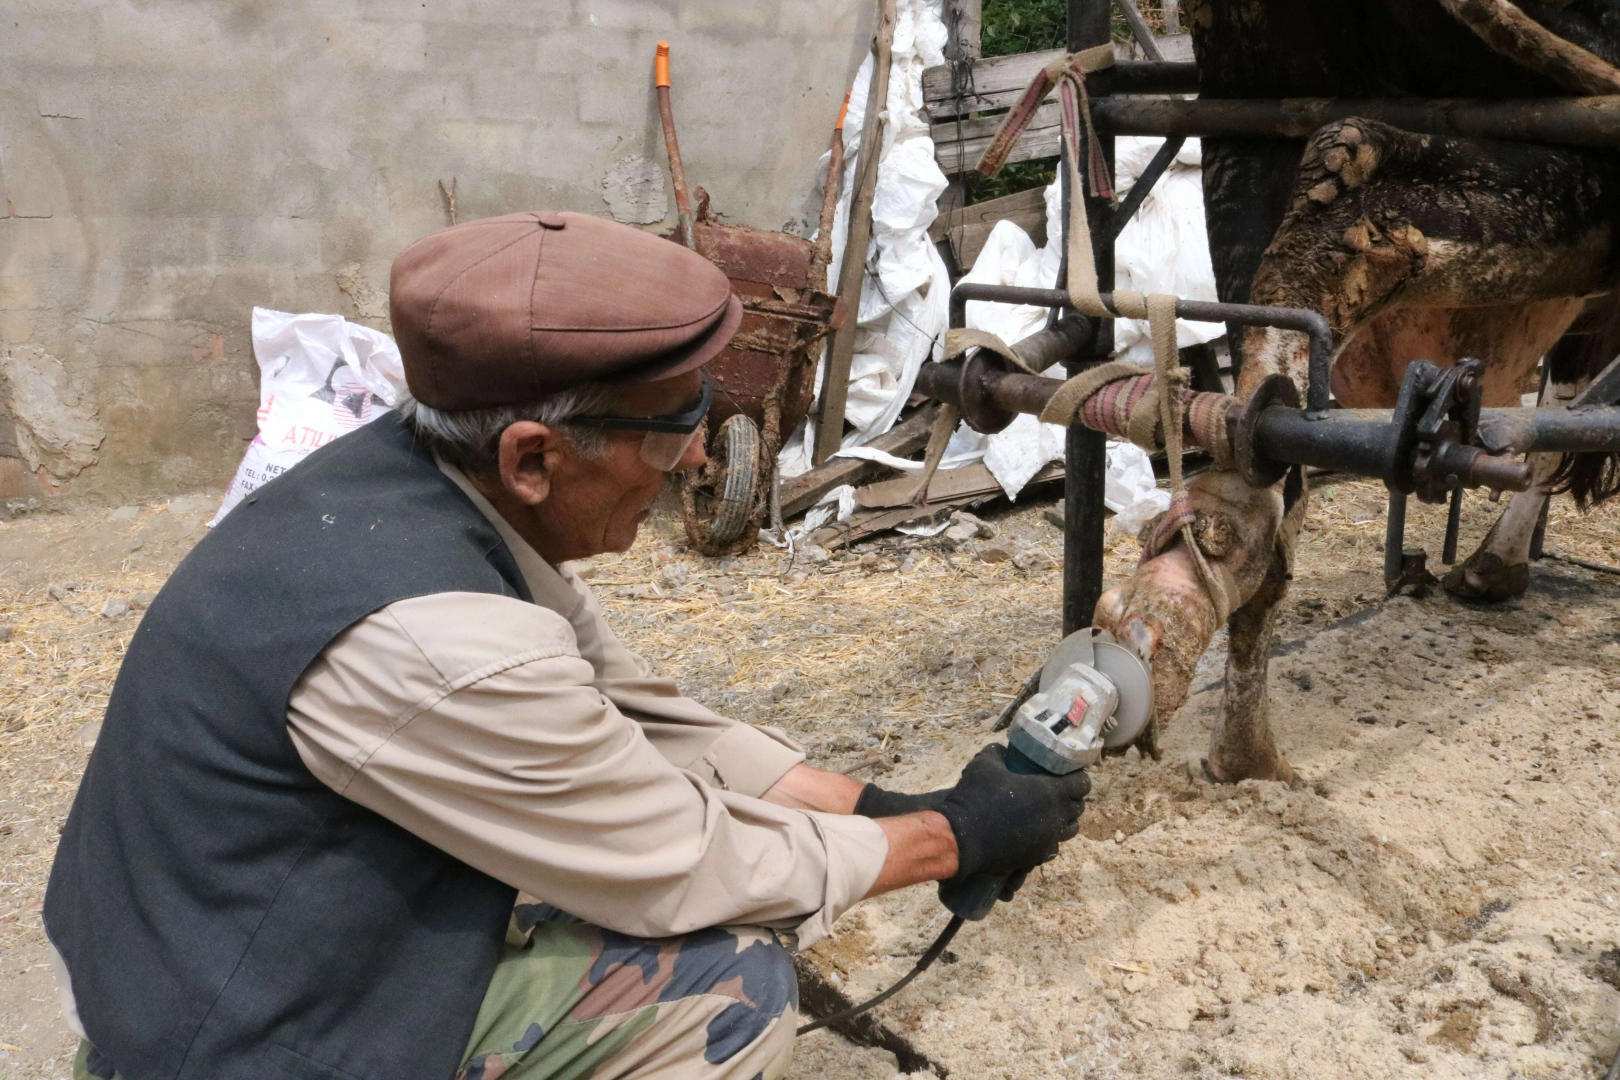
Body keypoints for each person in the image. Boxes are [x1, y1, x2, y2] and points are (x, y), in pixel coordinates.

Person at [43, 211, 1090, 1080]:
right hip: (223, 1036)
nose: (689, 467)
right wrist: (952, 841)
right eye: (672, 434)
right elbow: (680, 862)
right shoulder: (438, 647)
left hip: (212, 949)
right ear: (534, 455)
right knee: (728, 982)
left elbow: (638, 714)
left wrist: (873, 808)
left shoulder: (416, 484)